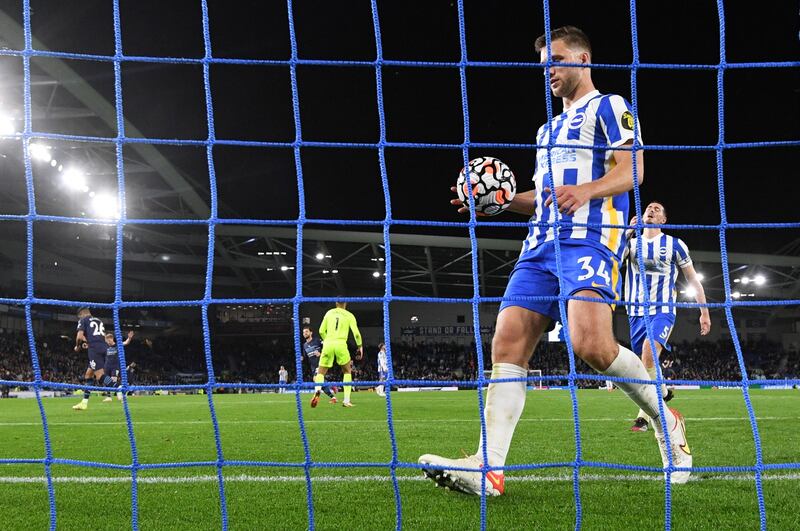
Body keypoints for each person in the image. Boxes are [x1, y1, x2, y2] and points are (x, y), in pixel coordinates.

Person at [419, 25, 691, 495]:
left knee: (592, 346)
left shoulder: (612, 107)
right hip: (538, 246)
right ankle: (489, 468)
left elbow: (633, 170)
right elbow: (545, 197)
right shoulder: (546, 130)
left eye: (557, 59)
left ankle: (665, 422)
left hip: (589, 241)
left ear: (583, 60)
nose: (549, 70)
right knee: (506, 343)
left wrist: (585, 191)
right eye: (545, 63)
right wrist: (499, 200)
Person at [624, 201, 710, 431]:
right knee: (644, 365)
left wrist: (704, 312)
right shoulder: (631, 244)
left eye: (657, 209)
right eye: (648, 209)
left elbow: (693, 279)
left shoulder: (675, 244)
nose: (651, 210)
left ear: (663, 220)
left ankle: (644, 416)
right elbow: (611, 261)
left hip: (663, 309)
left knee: (648, 353)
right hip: (635, 311)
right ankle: (662, 391)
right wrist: (625, 232)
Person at [313, 301, 363, 408]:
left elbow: (321, 331)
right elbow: (357, 334)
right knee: (347, 371)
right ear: (345, 303)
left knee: (321, 372)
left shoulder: (329, 313)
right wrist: (360, 346)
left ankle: (317, 391)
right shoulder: (349, 315)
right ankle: (346, 400)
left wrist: (327, 341)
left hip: (328, 343)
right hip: (341, 344)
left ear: (336, 303)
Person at [72, 308, 110, 411]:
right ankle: (84, 403)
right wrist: (87, 343)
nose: (79, 318)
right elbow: (100, 337)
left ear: (81, 314)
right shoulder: (98, 320)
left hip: (95, 350)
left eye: (79, 316)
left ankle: (118, 387)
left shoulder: (83, 320)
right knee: (88, 375)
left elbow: (79, 337)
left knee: (100, 376)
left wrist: (77, 346)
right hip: (104, 347)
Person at [302, 326, 337, 403]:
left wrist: (320, 353)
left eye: (306, 331)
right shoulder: (304, 345)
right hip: (313, 366)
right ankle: (333, 395)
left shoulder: (317, 340)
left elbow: (327, 347)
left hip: (320, 363)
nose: (305, 333)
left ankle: (317, 396)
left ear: (311, 333)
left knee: (316, 379)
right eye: (304, 332)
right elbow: (305, 356)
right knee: (319, 381)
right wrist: (301, 358)